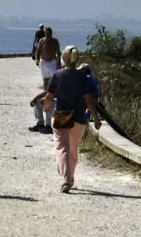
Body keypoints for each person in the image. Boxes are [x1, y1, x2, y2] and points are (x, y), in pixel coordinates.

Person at [43, 45, 100, 193]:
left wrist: (46, 107)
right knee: (73, 150)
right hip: (79, 117)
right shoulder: (83, 77)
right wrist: (96, 118)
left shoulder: (58, 75)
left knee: (63, 148)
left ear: (64, 59)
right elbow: (88, 99)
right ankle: (70, 177)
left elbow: (49, 96)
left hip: (63, 114)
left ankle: (66, 179)